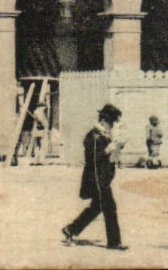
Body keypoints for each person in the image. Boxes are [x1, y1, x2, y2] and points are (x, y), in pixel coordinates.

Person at [62, 104, 126, 250]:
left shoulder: (101, 136)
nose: (112, 126)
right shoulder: (94, 136)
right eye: (111, 123)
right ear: (103, 121)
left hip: (101, 178)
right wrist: (108, 150)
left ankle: (71, 229)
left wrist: (115, 150)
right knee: (109, 208)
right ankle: (114, 242)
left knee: (96, 207)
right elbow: (93, 158)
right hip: (97, 179)